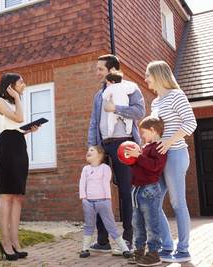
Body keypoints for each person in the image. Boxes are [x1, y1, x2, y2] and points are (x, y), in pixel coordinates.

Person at [88, 54, 146, 251]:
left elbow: (140, 112)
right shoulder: (98, 95)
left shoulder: (131, 88)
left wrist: (116, 108)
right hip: (103, 146)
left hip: (125, 144)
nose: (97, 73)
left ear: (112, 70)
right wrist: (93, 147)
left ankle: (129, 237)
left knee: (125, 191)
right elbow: (94, 123)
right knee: (99, 192)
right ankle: (102, 240)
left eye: (100, 69)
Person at [144, 61, 197, 263]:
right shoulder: (155, 102)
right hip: (159, 157)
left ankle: (183, 249)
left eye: (148, 75)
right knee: (152, 202)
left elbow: (190, 123)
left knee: (177, 202)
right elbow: (157, 132)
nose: (146, 79)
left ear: (158, 75)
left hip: (175, 154)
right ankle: (167, 246)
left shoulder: (177, 95)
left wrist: (168, 142)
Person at [0, 73, 39, 261]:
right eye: (21, 82)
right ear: (10, 86)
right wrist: (17, 98)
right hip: (6, 147)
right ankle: (5, 242)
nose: (24, 84)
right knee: (7, 194)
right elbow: (19, 119)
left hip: (19, 146)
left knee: (18, 196)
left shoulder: (14, 102)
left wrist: (29, 131)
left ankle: (15, 242)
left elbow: (18, 128)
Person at [125, 116, 167, 266]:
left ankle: (154, 253)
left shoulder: (160, 147)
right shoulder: (144, 148)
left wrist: (139, 157)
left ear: (153, 130)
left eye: (143, 132)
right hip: (136, 190)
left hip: (149, 190)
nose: (142, 136)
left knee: (151, 223)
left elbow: (155, 167)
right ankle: (139, 251)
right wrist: (131, 160)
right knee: (137, 223)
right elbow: (139, 167)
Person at [79, 145, 131, 258]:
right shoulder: (85, 169)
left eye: (92, 150)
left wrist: (108, 199)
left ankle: (125, 249)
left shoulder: (105, 168)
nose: (88, 151)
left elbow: (106, 184)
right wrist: (83, 198)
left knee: (111, 226)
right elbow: (82, 184)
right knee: (89, 225)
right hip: (89, 202)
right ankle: (84, 249)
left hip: (103, 202)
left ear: (100, 155)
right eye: (88, 150)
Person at [103, 72, 135, 136]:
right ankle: (128, 131)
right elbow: (132, 90)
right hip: (124, 108)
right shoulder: (124, 86)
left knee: (110, 120)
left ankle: (110, 133)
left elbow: (104, 96)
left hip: (114, 109)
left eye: (107, 82)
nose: (106, 84)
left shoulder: (110, 88)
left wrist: (108, 97)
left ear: (113, 82)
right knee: (129, 120)